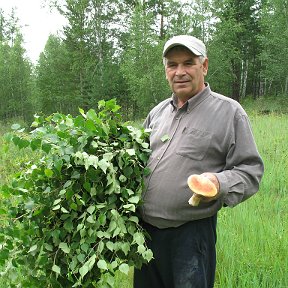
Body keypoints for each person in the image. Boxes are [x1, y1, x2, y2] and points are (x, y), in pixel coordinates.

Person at [134, 35, 264, 288]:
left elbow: (251, 171)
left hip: (190, 236)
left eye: (188, 63)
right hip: (146, 234)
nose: (179, 72)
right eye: (172, 65)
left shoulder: (229, 112)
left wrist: (219, 182)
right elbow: (138, 161)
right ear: (165, 71)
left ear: (203, 66)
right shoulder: (157, 113)